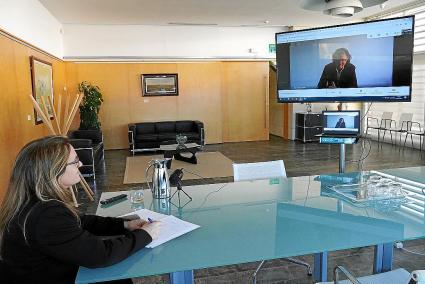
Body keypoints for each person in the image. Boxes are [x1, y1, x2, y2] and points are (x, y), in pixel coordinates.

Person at [0, 136, 161, 284]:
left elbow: (80, 221)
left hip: (45, 270)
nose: (81, 165)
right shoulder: (46, 214)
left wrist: (125, 225)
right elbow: (101, 256)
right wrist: (146, 235)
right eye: (75, 161)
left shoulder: (31, 200)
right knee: (117, 276)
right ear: (54, 170)